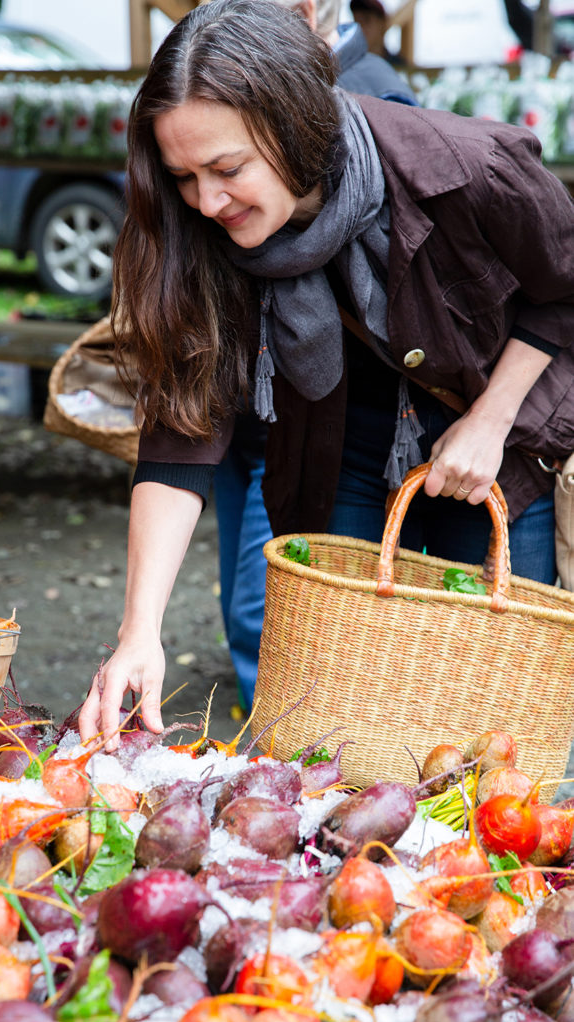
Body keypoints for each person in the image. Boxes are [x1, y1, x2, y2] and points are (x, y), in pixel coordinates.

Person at [78, 0, 574, 750]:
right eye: (183, 176)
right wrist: (137, 632)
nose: (207, 202)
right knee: (331, 720)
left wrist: (490, 419)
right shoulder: (193, 233)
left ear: (293, 125)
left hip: (499, 447)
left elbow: (563, 291)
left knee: (491, 722)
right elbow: (182, 430)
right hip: (333, 449)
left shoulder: (471, 168)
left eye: (227, 169)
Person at [214, 0, 416, 712]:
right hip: (241, 403)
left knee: (266, 602)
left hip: (307, 409)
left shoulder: (377, 101)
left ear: (301, 13)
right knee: (238, 592)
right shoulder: (228, 98)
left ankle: (273, 733)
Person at [349, 0, 405, 67]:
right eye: (356, 22)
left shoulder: (400, 67)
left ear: (382, 23)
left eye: (366, 20)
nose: (361, 28)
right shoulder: (347, 65)